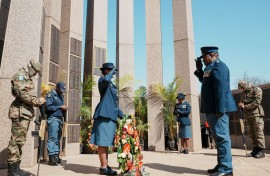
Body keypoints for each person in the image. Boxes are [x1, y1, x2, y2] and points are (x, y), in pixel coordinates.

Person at [194, 46, 237, 176]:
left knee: (222, 138)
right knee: (218, 138)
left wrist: (221, 108)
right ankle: (221, 165)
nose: (202, 60)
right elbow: (205, 82)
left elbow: (222, 89)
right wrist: (199, 69)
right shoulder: (210, 67)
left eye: (204, 57)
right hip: (212, 108)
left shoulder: (220, 67)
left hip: (218, 108)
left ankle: (226, 169)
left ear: (213, 55)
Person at [7, 59, 46, 176]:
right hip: (20, 113)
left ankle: (15, 168)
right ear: (30, 67)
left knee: (20, 141)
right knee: (16, 141)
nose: (35, 74)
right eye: (35, 71)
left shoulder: (26, 78)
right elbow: (22, 94)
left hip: (25, 113)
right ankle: (12, 170)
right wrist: (38, 101)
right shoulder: (20, 76)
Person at [90, 62, 124, 175]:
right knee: (102, 142)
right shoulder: (102, 80)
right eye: (109, 70)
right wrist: (112, 71)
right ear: (105, 71)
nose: (112, 72)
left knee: (106, 142)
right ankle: (103, 167)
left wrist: (120, 113)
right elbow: (106, 80)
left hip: (110, 116)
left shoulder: (111, 85)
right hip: (104, 115)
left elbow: (113, 102)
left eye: (112, 70)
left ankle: (106, 165)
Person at [238, 80, 265, 158]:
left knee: (258, 132)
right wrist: (240, 104)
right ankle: (255, 149)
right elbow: (242, 102)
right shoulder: (243, 93)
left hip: (256, 114)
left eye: (242, 88)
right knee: (251, 133)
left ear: (245, 85)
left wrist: (245, 106)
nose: (241, 90)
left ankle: (261, 151)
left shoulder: (256, 90)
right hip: (248, 116)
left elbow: (257, 101)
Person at [46, 82, 67, 165]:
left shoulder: (60, 95)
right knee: (52, 138)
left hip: (59, 118)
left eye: (63, 90)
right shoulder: (50, 95)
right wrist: (60, 107)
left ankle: (56, 157)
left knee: (58, 138)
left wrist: (64, 109)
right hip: (53, 118)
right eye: (61, 90)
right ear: (57, 88)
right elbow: (49, 107)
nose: (62, 92)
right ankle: (51, 158)